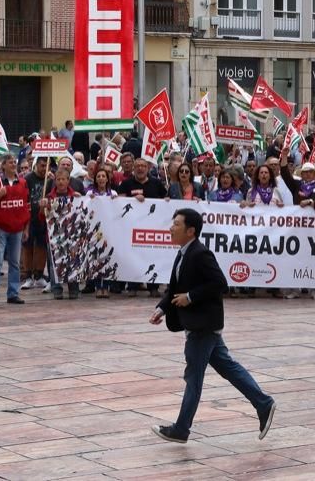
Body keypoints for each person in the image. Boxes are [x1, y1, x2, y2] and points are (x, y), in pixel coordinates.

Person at [149, 208, 276, 444]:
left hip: (203, 326)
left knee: (193, 378)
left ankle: (181, 429)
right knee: (228, 368)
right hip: (201, 324)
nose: (170, 228)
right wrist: (162, 308)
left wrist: (191, 296)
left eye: (176, 224)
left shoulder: (200, 254)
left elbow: (220, 283)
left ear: (190, 231)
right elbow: (174, 287)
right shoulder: (183, 253)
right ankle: (264, 404)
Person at [118, 158, 167, 297]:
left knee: (153, 256)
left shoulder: (156, 183)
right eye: (138, 166)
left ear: (148, 168)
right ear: (133, 168)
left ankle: (153, 287)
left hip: (153, 228)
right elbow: (120, 202)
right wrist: (132, 200)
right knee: (133, 256)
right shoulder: (126, 184)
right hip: (132, 228)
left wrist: (167, 201)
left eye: (143, 166)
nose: (140, 168)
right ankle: (132, 286)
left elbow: (165, 199)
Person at [0, 154, 29, 306]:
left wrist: (26, 228)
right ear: (2, 166)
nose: (13, 164)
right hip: (1, 229)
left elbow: (25, 206)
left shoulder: (23, 183)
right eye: (10, 162)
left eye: (14, 162)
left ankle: (13, 293)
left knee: (15, 263)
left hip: (17, 229)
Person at [39, 169, 81, 299]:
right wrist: (42, 207)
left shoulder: (76, 196)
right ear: (55, 181)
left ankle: (73, 287)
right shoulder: (49, 197)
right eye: (58, 179)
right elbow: (41, 218)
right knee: (53, 263)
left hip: (72, 236)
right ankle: (56, 288)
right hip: (54, 237)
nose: (61, 182)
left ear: (68, 181)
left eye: (64, 179)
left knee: (73, 260)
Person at [21, 157, 52, 291]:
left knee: (41, 247)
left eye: (46, 166)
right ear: (36, 165)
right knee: (27, 247)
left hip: (43, 218)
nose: (44, 168)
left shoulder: (50, 181)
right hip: (29, 216)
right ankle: (28, 276)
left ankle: (39, 275)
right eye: (42, 165)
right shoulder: (28, 179)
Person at [87, 169, 117, 298]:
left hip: (109, 230)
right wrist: (90, 199)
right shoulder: (89, 193)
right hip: (95, 231)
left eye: (103, 176)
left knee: (108, 258)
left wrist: (116, 200)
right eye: (98, 176)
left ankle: (107, 286)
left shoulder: (113, 193)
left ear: (107, 179)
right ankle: (98, 286)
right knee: (97, 258)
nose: (101, 178)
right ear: (95, 179)